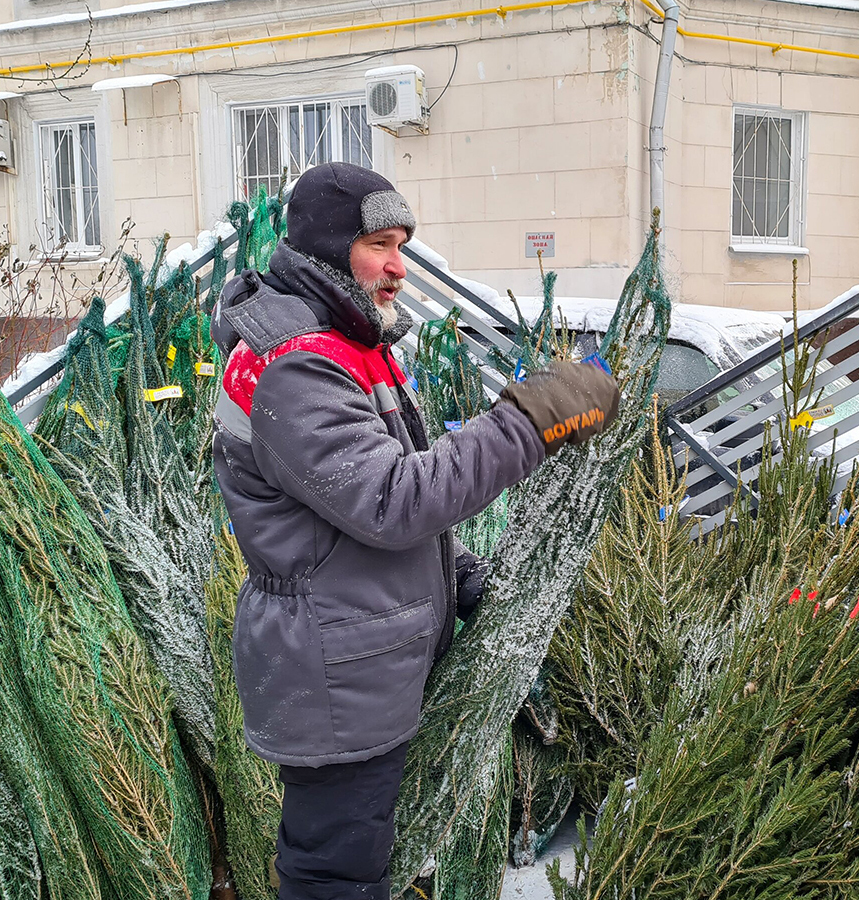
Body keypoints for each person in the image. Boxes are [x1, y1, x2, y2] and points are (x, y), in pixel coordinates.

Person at [210, 162, 620, 900]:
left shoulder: (346, 347)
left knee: (367, 862)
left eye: (401, 246)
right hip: (337, 681)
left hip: (363, 658)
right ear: (329, 249)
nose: (399, 266)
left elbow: (342, 520)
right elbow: (394, 499)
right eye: (379, 245)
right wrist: (526, 422)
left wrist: (455, 575)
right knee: (335, 877)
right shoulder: (294, 369)